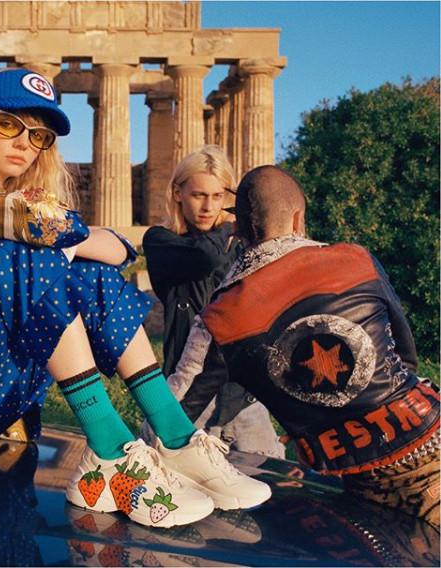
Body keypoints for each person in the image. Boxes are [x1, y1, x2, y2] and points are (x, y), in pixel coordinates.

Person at [0, 69, 271, 528]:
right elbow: (46, 223)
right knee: (29, 249)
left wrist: (83, 242)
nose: (24, 142)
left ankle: (175, 436)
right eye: (8, 124)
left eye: (38, 135)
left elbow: (117, 249)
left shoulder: (10, 201)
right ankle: (109, 450)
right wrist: (84, 239)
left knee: (78, 266)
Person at [169, 164, 440, 529]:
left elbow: (174, 412)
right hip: (428, 434)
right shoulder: (358, 260)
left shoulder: (219, 317)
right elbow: (407, 357)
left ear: (237, 228)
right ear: (298, 219)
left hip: (366, 483)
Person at [143, 146, 284, 456]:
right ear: (178, 193)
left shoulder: (240, 246)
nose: (208, 207)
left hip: (243, 398)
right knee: (180, 480)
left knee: (264, 480)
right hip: (190, 396)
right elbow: (207, 257)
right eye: (198, 195)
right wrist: (232, 224)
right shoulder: (162, 241)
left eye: (218, 196)